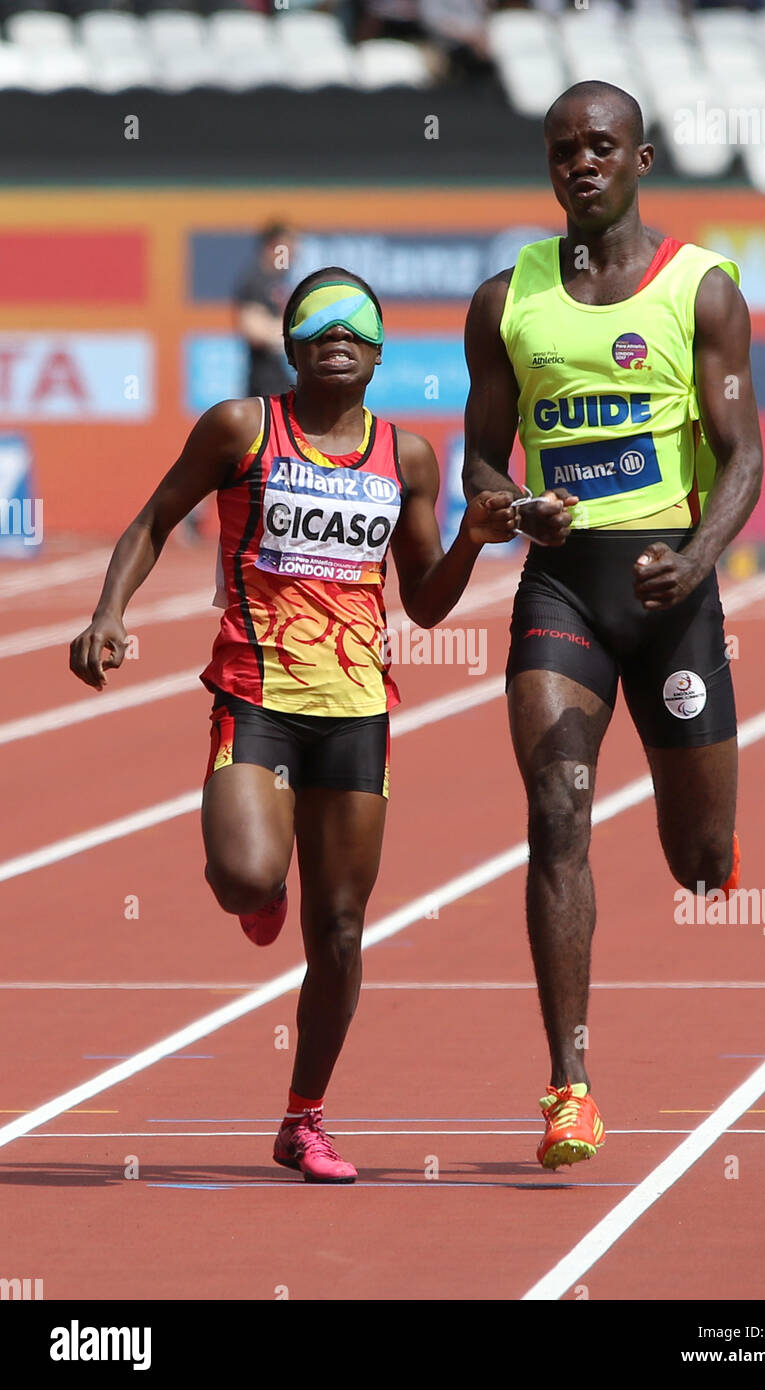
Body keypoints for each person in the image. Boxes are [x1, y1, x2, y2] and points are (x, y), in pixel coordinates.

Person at [70, 267, 514, 1184]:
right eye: (318, 319)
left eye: (358, 321)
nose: (338, 331)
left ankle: (304, 1118)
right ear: (292, 344)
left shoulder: (410, 459)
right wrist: (111, 610)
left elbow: (426, 606)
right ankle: (262, 887)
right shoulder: (243, 428)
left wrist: (475, 536)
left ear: (381, 349)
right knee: (243, 875)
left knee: (342, 931)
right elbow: (156, 520)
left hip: (356, 712)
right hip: (256, 693)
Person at [462, 82, 763, 1171]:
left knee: (692, 860)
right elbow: (481, 465)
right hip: (562, 595)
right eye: (561, 150)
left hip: (671, 599)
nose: (579, 163)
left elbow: (742, 458)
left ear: (638, 159)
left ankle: (709, 847)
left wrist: (692, 557)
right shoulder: (506, 299)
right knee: (555, 808)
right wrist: (510, 505)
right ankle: (569, 1084)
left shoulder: (701, 290)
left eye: (599, 146)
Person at [234, 221, 297, 399]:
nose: (293, 253)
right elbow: (253, 330)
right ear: (272, 247)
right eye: (287, 248)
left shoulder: (281, 282)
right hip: (265, 386)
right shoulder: (256, 280)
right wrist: (296, 333)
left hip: (285, 382)